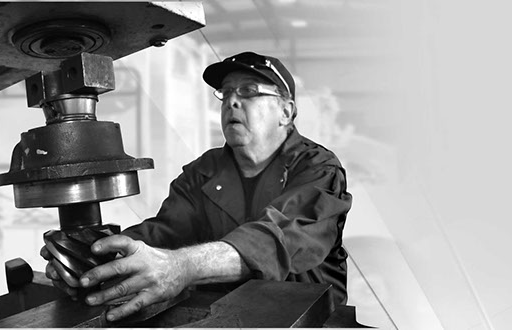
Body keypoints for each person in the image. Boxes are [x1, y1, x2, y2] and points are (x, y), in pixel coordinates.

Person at [40, 51, 352, 322]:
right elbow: (165, 232)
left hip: (307, 317)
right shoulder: (205, 170)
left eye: (248, 90)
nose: (231, 101)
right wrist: (97, 259)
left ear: (286, 112)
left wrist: (181, 267)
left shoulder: (318, 168)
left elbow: (278, 240)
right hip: (224, 316)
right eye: (226, 92)